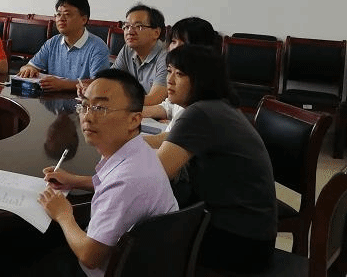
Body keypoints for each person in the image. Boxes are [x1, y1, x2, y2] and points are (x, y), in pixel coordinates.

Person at [34, 68, 178, 276]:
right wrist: (74, 180)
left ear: (134, 120)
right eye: (84, 106)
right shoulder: (136, 150)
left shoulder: (126, 182)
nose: (87, 117)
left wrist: (63, 215)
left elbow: (89, 257)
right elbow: (111, 183)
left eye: (100, 108)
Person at [155, 45, 276, 274]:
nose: (169, 80)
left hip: (240, 243)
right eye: (169, 71)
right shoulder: (218, 106)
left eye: (180, 74)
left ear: (202, 80)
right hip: (252, 232)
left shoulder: (199, 114)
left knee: (139, 243)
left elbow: (155, 174)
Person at [141, 17, 218, 149]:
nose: (175, 48)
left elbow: (174, 141)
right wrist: (133, 112)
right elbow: (168, 107)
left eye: (184, 43)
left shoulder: (203, 105)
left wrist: (125, 143)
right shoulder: (185, 89)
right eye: (173, 41)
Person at [17, 0, 110, 91]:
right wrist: (28, 69)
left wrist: (64, 85)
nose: (61, 19)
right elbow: (30, 66)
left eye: (67, 14)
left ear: (84, 19)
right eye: (58, 14)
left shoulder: (98, 47)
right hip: (52, 98)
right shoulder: (53, 42)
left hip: (81, 99)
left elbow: (99, 83)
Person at [111, 4, 167, 106]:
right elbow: (109, 80)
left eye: (139, 26)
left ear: (156, 33)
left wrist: (114, 101)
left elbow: (154, 99)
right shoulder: (128, 49)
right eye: (127, 26)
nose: (130, 32)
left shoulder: (166, 56)